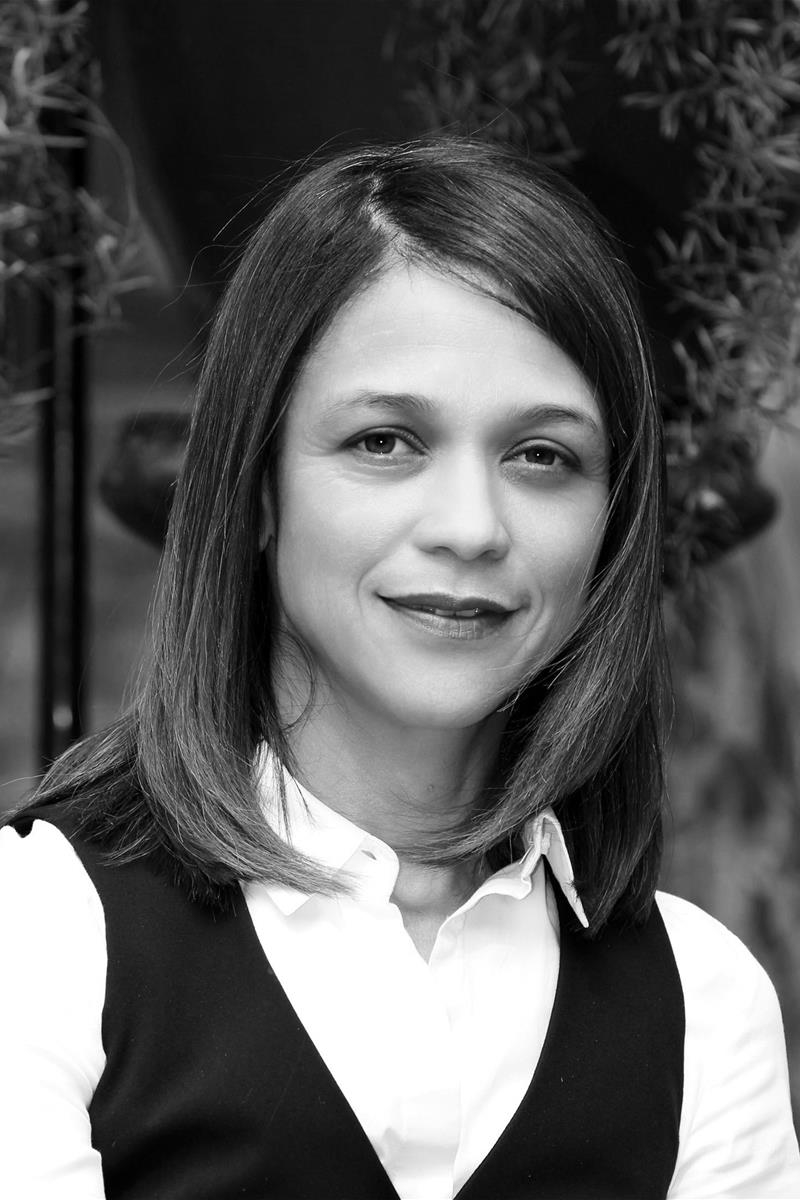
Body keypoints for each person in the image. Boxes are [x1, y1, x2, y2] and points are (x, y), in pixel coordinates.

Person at [1, 138, 798, 1200]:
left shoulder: (704, 1004)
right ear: (258, 487)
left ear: (610, 524)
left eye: (542, 456)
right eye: (385, 441)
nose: (470, 527)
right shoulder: (41, 936)